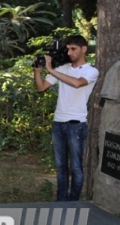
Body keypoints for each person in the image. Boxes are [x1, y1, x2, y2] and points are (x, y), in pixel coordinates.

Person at [34, 35, 99, 201]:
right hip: (58, 123)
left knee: (76, 167)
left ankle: (73, 202)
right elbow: (41, 87)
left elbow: (77, 83)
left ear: (84, 49)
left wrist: (52, 70)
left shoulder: (91, 71)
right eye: (68, 49)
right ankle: (61, 202)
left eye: (73, 49)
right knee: (60, 167)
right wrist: (37, 71)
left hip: (76, 125)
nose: (69, 52)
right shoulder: (62, 69)